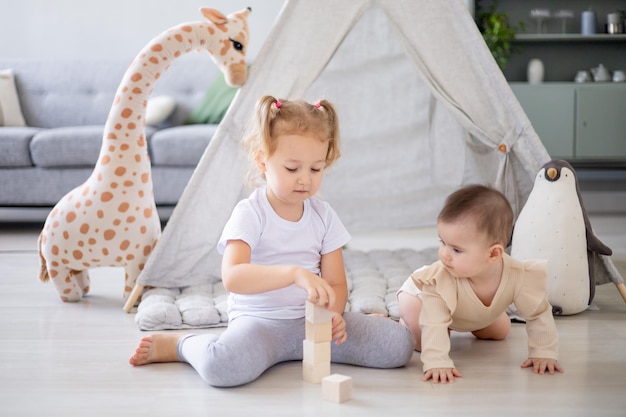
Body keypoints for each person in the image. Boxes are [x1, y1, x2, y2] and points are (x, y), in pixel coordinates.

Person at [129, 96, 414, 387]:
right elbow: (233, 276)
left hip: (313, 325)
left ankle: (360, 324)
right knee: (222, 367)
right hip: (260, 325)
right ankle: (181, 345)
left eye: (316, 169)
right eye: (292, 168)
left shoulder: (324, 216)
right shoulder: (250, 213)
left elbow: (336, 284)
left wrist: (332, 314)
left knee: (399, 346)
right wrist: (293, 273)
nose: (305, 179)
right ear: (262, 161)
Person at [397, 184, 563, 384]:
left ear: (493, 254)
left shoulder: (518, 275)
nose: (443, 254)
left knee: (500, 331)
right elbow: (433, 323)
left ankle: (471, 316)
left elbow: (538, 314)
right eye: (442, 242)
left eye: (456, 250)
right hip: (420, 296)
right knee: (428, 340)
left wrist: (543, 352)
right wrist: (437, 361)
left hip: (464, 309)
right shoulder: (439, 279)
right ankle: (404, 323)